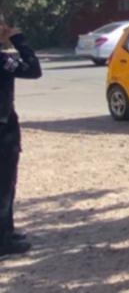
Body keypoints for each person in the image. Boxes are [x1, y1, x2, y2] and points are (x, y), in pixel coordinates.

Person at [0, 23, 42, 256]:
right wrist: (19, 39)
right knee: (4, 185)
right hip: (3, 129)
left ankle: (7, 230)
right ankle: (3, 241)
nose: (5, 28)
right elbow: (33, 69)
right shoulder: (2, 60)